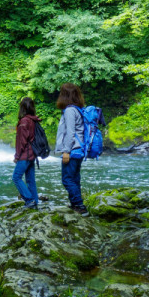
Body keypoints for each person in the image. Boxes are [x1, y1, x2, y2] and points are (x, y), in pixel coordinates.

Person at [55, 83, 88, 215]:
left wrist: (66, 151)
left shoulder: (69, 111)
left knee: (67, 180)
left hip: (72, 151)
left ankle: (79, 205)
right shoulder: (78, 109)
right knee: (74, 179)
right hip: (79, 150)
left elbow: (70, 133)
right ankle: (75, 204)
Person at [13, 97, 40, 209]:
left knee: (16, 177)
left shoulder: (24, 121)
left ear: (22, 108)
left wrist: (17, 156)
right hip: (32, 154)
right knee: (30, 180)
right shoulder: (34, 120)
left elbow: (21, 141)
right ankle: (35, 201)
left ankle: (29, 200)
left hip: (25, 155)